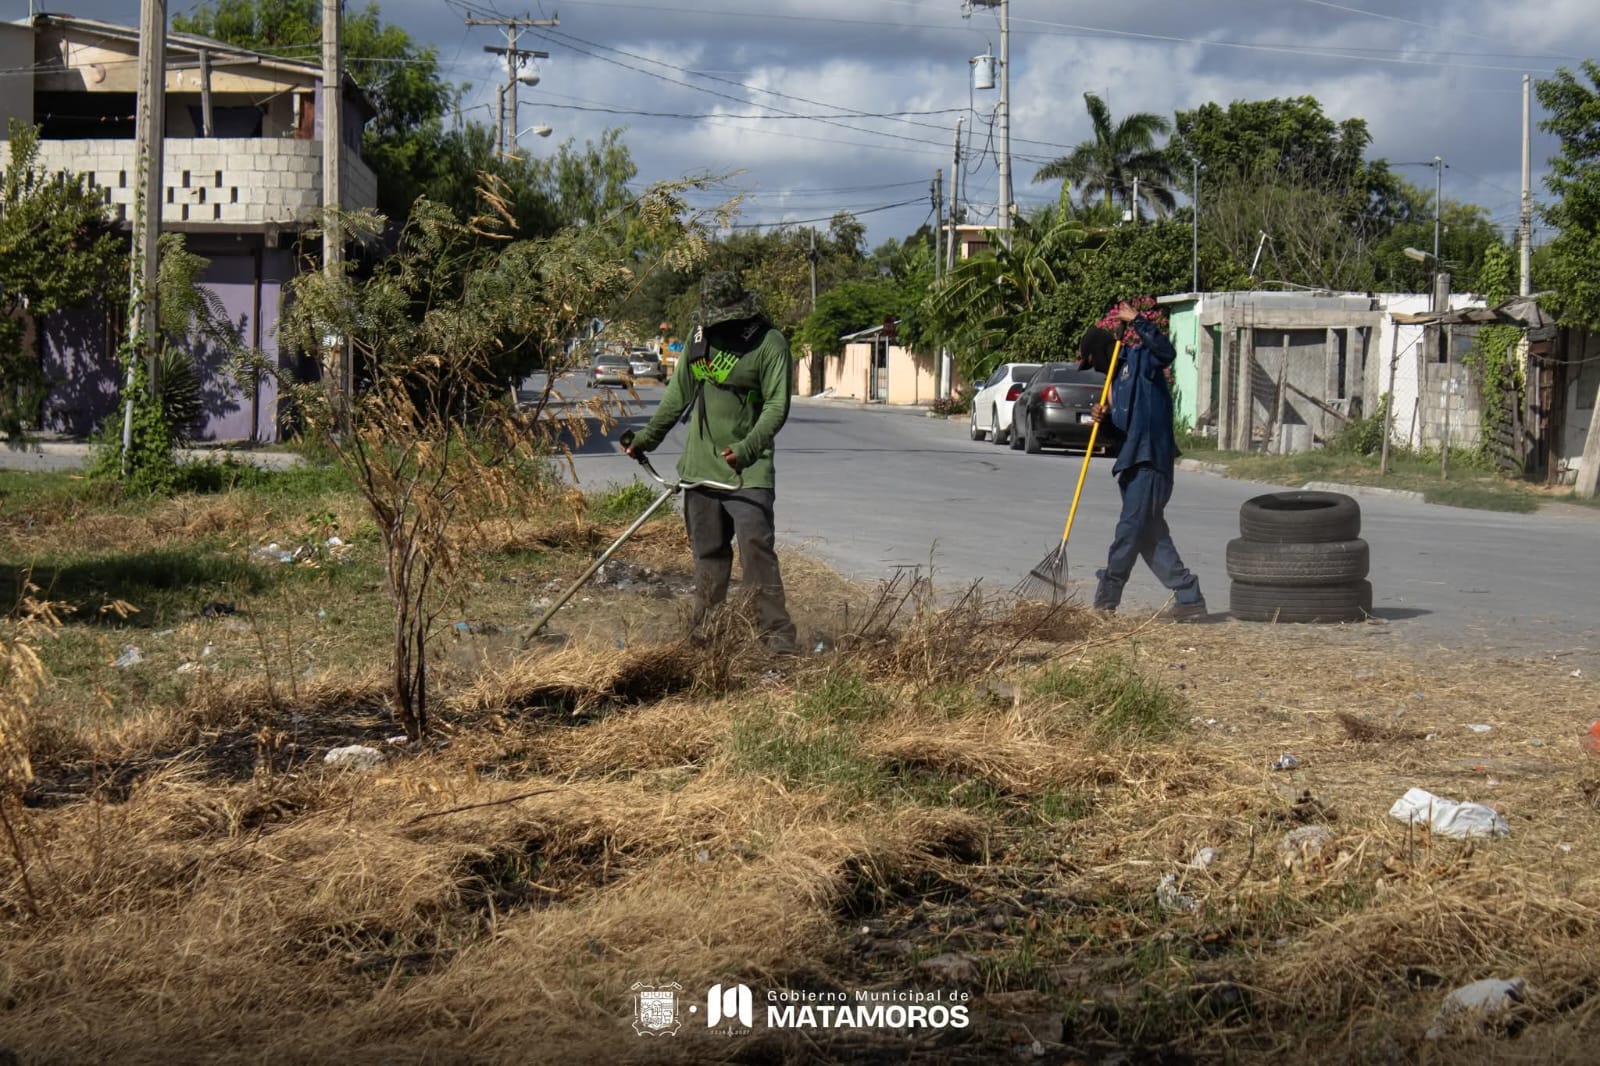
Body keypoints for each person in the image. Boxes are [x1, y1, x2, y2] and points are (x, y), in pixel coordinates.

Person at [624, 271, 800, 653]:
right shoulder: (699, 339)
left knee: (757, 549)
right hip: (700, 467)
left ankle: (777, 638)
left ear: (739, 313)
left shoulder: (769, 344)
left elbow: (776, 406)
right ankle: (706, 637)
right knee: (709, 554)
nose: (713, 324)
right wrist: (646, 439)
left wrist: (748, 447)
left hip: (747, 468)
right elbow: (677, 396)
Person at [1086, 303, 1207, 619]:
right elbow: (1121, 434)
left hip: (1150, 461)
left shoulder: (1141, 361)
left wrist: (1138, 321)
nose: (1098, 370)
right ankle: (1189, 598)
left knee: (1129, 531)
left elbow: (1167, 353)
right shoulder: (1112, 387)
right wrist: (1105, 421)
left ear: (1102, 352)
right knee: (1150, 535)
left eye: (1095, 362)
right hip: (1130, 464)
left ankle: (1106, 601)